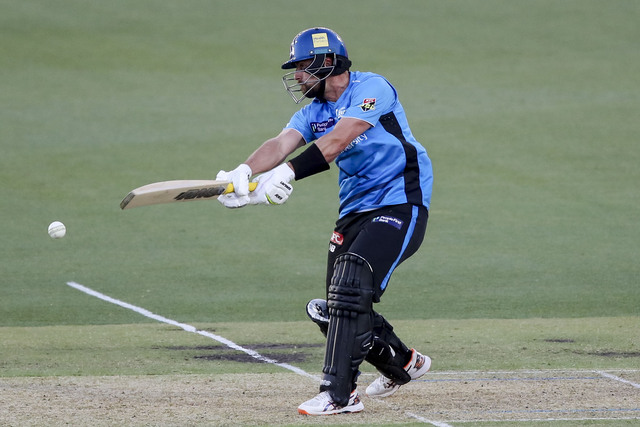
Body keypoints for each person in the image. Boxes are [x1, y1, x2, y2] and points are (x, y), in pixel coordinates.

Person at [216, 27, 433, 415]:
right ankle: (403, 363)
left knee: (350, 285)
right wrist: (243, 172)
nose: (298, 76)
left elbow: (338, 140)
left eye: (302, 66)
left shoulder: (372, 89)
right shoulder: (311, 112)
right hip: (354, 209)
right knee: (337, 308)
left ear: (328, 62)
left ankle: (338, 395)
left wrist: (287, 174)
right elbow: (281, 143)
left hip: (400, 201)